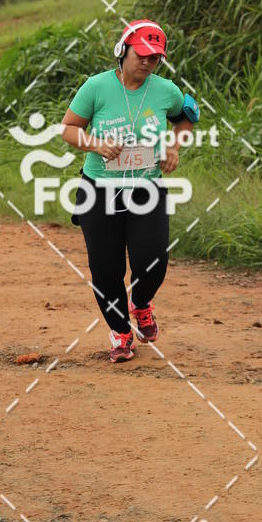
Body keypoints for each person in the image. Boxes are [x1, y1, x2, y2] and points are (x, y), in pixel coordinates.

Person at [60, 19, 199, 363]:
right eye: (143, 54)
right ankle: (121, 333)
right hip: (99, 190)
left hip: (146, 188)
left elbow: (186, 117)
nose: (148, 62)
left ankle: (141, 303)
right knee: (105, 269)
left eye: (155, 58)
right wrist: (95, 144)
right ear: (123, 51)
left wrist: (175, 146)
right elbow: (68, 129)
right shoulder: (97, 86)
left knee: (153, 259)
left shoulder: (165, 91)